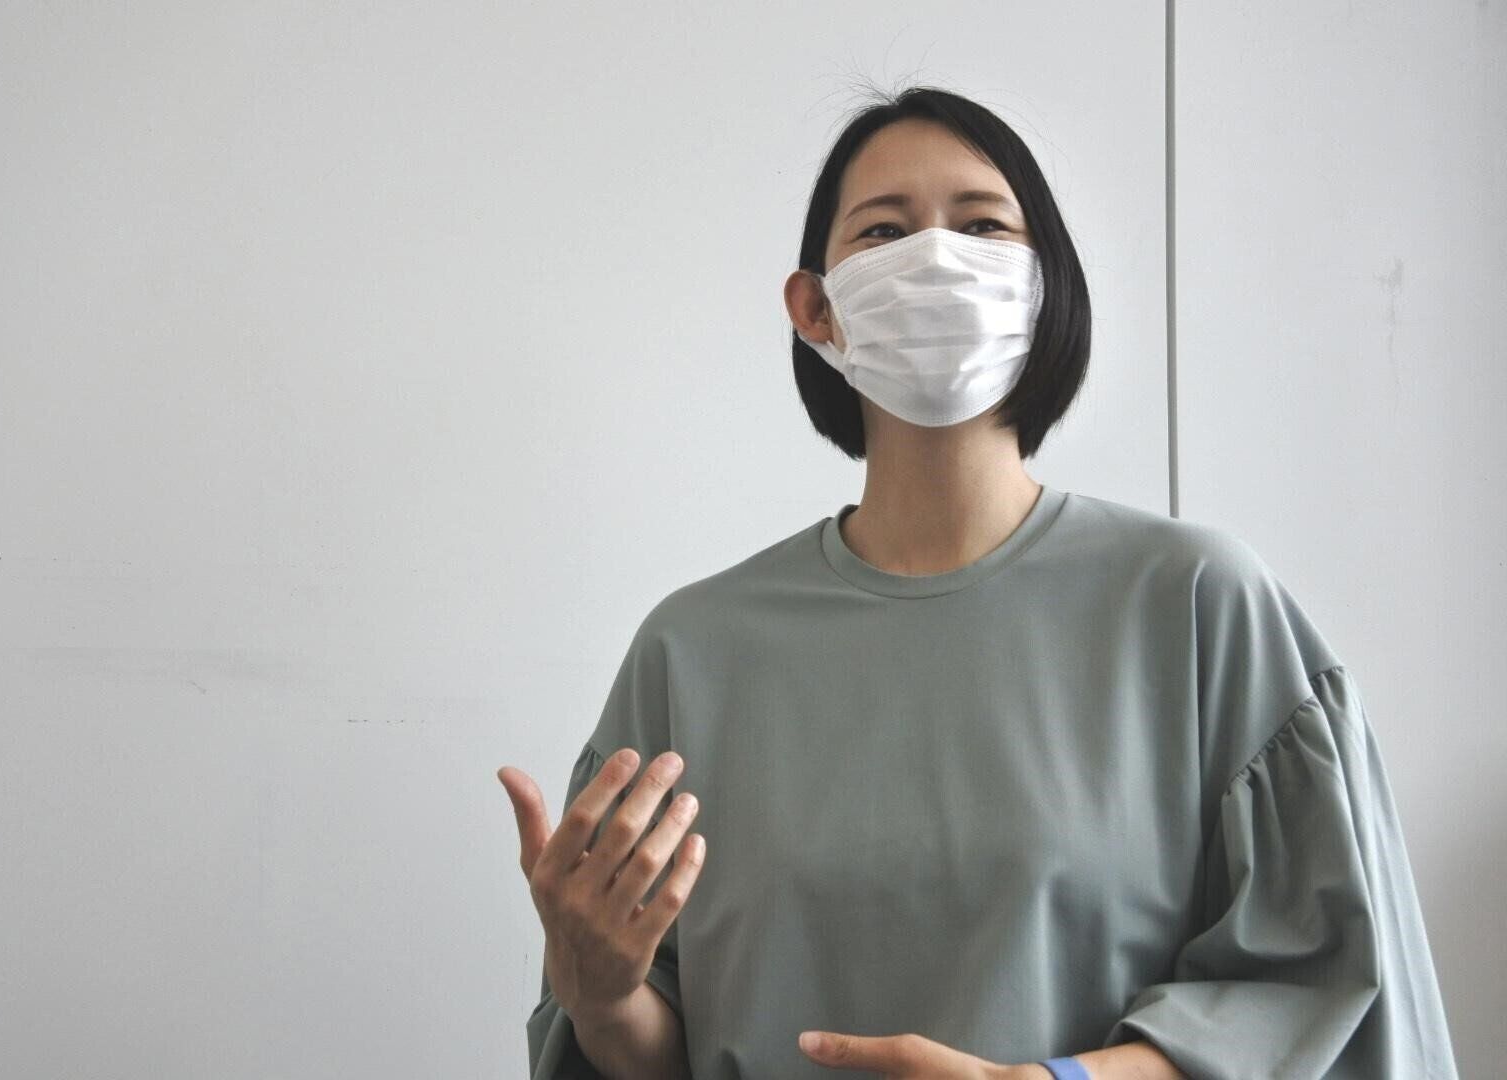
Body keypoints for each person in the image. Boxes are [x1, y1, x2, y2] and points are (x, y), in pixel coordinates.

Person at [498, 84, 1460, 1080]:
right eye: (883, 231)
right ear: (815, 308)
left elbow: (1315, 998)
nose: (935, 258)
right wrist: (602, 997)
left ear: (1046, 286)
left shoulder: (1197, 607)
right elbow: (654, 1051)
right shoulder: (691, 657)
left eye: (981, 226)